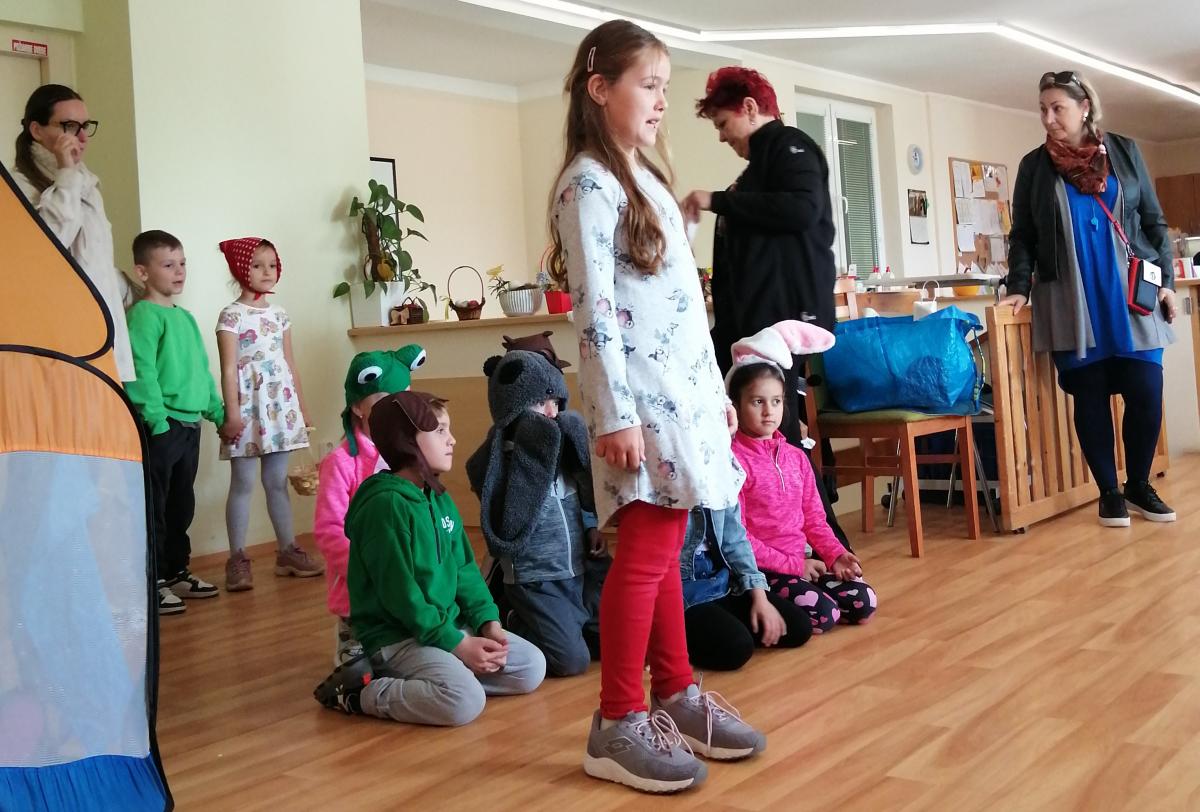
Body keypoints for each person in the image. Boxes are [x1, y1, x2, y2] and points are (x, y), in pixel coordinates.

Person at [548, 19, 766, 794]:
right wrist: (613, 414)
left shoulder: (640, 177)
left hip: (682, 397)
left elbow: (675, 302)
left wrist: (714, 394)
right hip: (640, 404)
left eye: (665, 88)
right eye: (648, 85)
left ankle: (674, 693)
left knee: (666, 545)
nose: (662, 101)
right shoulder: (588, 182)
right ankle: (615, 721)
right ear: (599, 88)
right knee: (645, 552)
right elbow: (595, 309)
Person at [680, 67, 852, 547]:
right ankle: (765, 542)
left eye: (722, 123)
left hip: (779, 319)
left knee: (777, 432)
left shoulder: (790, 147)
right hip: (750, 320)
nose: (722, 137)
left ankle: (822, 545)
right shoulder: (760, 167)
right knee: (750, 426)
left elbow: (801, 208)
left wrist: (716, 200)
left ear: (750, 109)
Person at [999, 70, 1178, 528]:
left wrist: (1167, 282)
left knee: (1147, 390)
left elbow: (1154, 223)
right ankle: (1109, 493)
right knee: (1090, 396)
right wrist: (1018, 287)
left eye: (1057, 108)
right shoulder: (1035, 167)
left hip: (1130, 295)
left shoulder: (1124, 152)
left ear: (1084, 108)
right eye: (1043, 109)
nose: (1048, 118)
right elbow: (1023, 235)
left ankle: (1139, 483)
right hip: (1070, 296)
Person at [313, 392, 546, 725]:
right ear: (406, 440)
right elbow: (402, 597)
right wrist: (459, 646)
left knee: (531, 667)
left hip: (446, 627)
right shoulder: (385, 506)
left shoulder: (438, 497)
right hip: (399, 638)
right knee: (464, 702)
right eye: (439, 431)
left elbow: (465, 570)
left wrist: (487, 622)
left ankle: (442, 678)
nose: (452, 440)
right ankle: (359, 692)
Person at [466, 349, 609, 677]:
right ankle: (511, 615)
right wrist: (533, 449)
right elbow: (506, 513)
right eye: (539, 403)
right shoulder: (500, 461)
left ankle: (571, 625)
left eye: (556, 403)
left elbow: (583, 493)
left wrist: (592, 526)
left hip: (578, 569)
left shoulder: (565, 449)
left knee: (613, 637)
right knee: (572, 661)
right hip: (536, 580)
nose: (551, 413)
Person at [727, 322, 877, 633]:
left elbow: (814, 519)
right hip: (763, 572)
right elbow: (738, 537)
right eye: (757, 402)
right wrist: (795, 567)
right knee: (824, 615)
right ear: (736, 406)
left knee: (864, 602)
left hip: (801, 563)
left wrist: (835, 554)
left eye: (776, 401)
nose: (769, 411)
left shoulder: (796, 457)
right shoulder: (733, 461)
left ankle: (813, 594)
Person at [124, 230, 224, 614]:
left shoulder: (185, 318)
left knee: (182, 504)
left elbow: (201, 370)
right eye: (168, 265)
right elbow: (140, 371)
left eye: (182, 263)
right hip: (162, 425)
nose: (179, 271)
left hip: (190, 425)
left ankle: (177, 571)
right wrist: (156, 420)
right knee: (157, 506)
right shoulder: (143, 316)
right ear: (143, 272)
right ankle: (153, 582)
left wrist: (217, 413)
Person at [215, 237, 322, 590]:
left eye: (272, 265)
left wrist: (302, 409)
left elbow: (290, 363)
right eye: (257, 265)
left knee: (277, 482)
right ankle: (237, 558)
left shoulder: (280, 315)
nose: (267, 272)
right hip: (247, 408)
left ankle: (287, 551)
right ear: (239, 269)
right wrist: (232, 414)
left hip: (280, 409)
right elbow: (228, 369)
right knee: (243, 483)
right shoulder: (231, 315)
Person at [313, 345, 428, 665]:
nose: (395, 408)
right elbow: (329, 528)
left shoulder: (412, 455)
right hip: (360, 594)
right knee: (360, 671)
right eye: (383, 400)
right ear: (357, 407)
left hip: (407, 586)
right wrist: (364, 569)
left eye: (403, 398)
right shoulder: (340, 462)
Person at [11, 84, 134, 381]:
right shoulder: (19, 185)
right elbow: (50, 247)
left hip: (103, 329)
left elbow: (95, 261)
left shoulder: (87, 183)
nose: (81, 136)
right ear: (37, 130)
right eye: (69, 126)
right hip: (61, 339)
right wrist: (65, 173)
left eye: (85, 126)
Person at [680, 504, 812, 670]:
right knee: (736, 648)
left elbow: (736, 542)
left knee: (799, 627)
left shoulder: (721, 489)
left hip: (721, 580)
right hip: (683, 591)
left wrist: (760, 597)